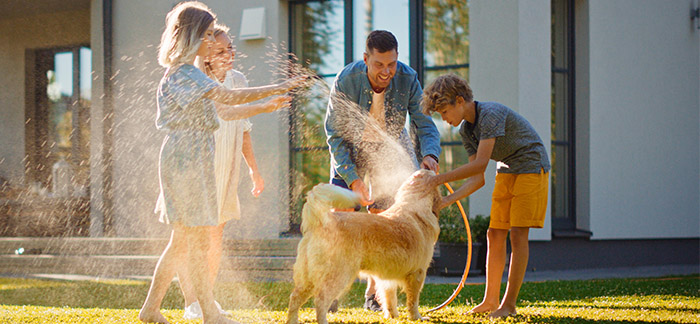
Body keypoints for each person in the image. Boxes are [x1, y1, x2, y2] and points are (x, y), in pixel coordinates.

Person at [139, 2, 303, 323]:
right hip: (186, 162)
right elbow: (228, 98)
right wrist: (278, 87)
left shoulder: (188, 74)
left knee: (183, 241)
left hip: (192, 158)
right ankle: (208, 312)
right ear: (195, 36)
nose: (215, 39)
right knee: (197, 240)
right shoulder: (185, 74)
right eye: (210, 33)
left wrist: (266, 106)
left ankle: (151, 309)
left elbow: (224, 112)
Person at [175, 24, 290, 320]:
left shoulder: (238, 80)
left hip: (227, 171)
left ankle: (206, 298)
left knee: (215, 237)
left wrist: (254, 171)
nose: (229, 54)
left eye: (230, 49)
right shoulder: (198, 80)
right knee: (193, 239)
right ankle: (191, 303)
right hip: (200, 170)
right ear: (207, 55)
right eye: (221, 50)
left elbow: (244, 130)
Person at [324, 30, 441, 311]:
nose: (387, 72)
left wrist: (429, 154)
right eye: (379, 65)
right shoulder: (346, 79)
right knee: (340, 221)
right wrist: (352, 180)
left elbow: (423, 123)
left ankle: (374, 299)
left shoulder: (408, 77)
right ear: (366, 59)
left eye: (392, 64)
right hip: (349, 151)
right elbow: (334, 136)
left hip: (386, 150)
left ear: (397, 58)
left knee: (385, 222)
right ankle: (329, 294)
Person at [420, 74, 550, 318]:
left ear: (460, 100)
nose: (445, 119)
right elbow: (477, 179)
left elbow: (479, 166)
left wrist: (437, 179)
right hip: (507, 168)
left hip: (531, 165)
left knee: (518, 234)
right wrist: (446, 201)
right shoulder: (467, 131)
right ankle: (491, 301)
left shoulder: (490, 114)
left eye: (445, 112)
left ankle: (508, 305)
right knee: (494, 233)